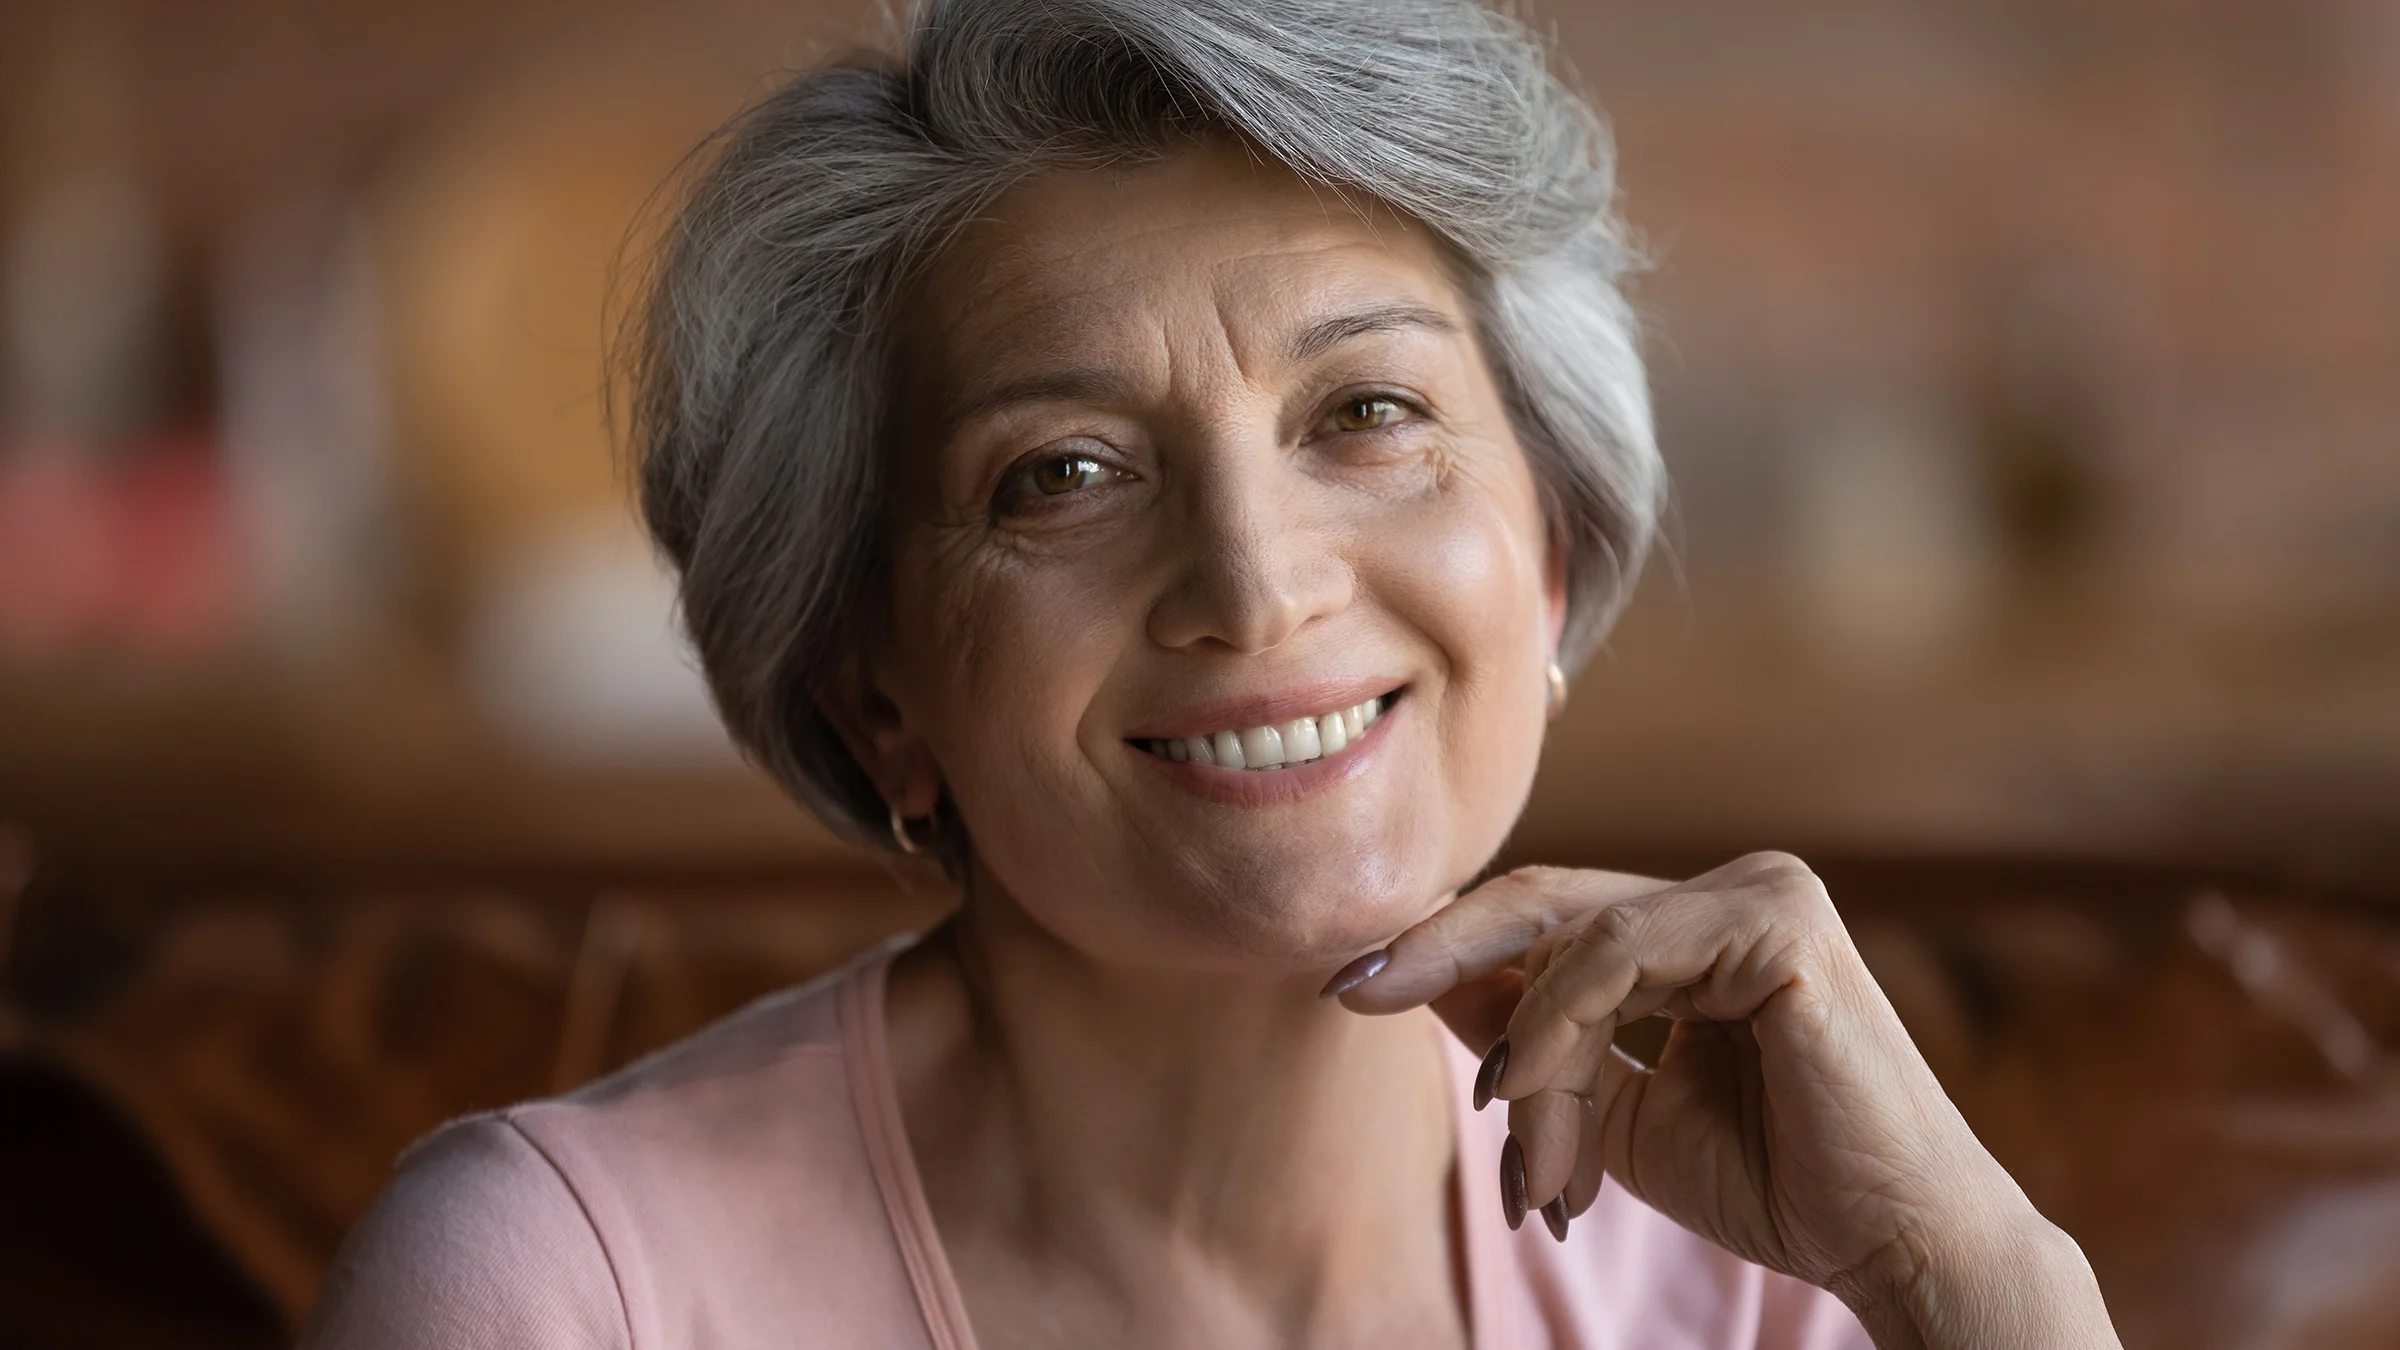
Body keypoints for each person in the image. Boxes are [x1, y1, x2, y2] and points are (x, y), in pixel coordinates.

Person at [303, 0, 2123, 1345]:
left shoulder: (1776, 1277)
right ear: (880, 693)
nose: (1255, 586)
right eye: (1062, 474)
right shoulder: (557, 1290)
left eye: (1371, 412)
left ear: (1549, 554)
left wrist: (1980, 1284)